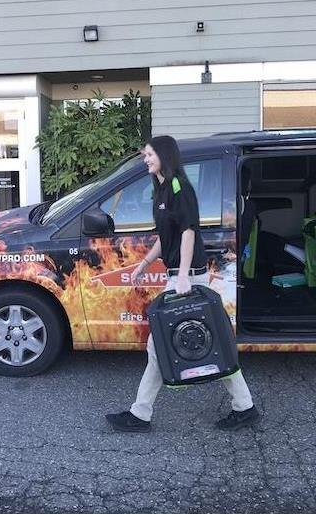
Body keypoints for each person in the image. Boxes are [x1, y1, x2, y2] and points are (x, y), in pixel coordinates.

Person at [105, 136, 259, 433]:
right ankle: (244, 406)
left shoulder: (179, 188)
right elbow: (168, 237)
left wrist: (185, 275)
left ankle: (140, 415)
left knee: (173, 344)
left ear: (164, 155)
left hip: (188, 277)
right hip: (178, 274)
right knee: (206, 342)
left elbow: (188, 232)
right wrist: (144, 264)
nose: (145, 158)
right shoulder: (161, 190)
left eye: (149, 154)